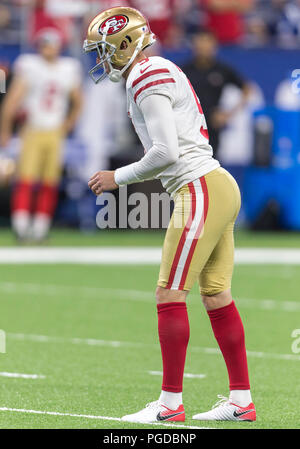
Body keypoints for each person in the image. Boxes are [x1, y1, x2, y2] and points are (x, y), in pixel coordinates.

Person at [84, 6, 255, 423]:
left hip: (199, 187)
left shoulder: (147, 75)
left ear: (127, 45)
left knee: (169, 293)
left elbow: (166, 152)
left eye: (106, 49)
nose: (101, 58)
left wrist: (117, 177)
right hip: (214, 184)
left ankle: (169, 406)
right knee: (215, 295)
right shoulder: (156, 69)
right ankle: (241, 400)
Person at [0, 28, 82, 242]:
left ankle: (39, 229)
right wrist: (6, 130)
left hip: (54, 131)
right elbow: (12, 101)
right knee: (26, 178)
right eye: (45, 44)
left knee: (50, 181)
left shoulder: (67, 68)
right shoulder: (30, 66)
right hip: (33, 129)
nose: (49, 49)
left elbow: (78, 100)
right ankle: (21, 226)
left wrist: (68, 123)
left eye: (52, 44)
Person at [182, 29, 252, 158]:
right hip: (188, 126)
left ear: (214, 46)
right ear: (194, 45)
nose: (203, 46)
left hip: (212, 127)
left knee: (211, 166)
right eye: (200, 42)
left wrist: (228, 114)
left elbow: (247, 89)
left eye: (207, 42)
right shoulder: (183, 70)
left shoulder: (222, 70)